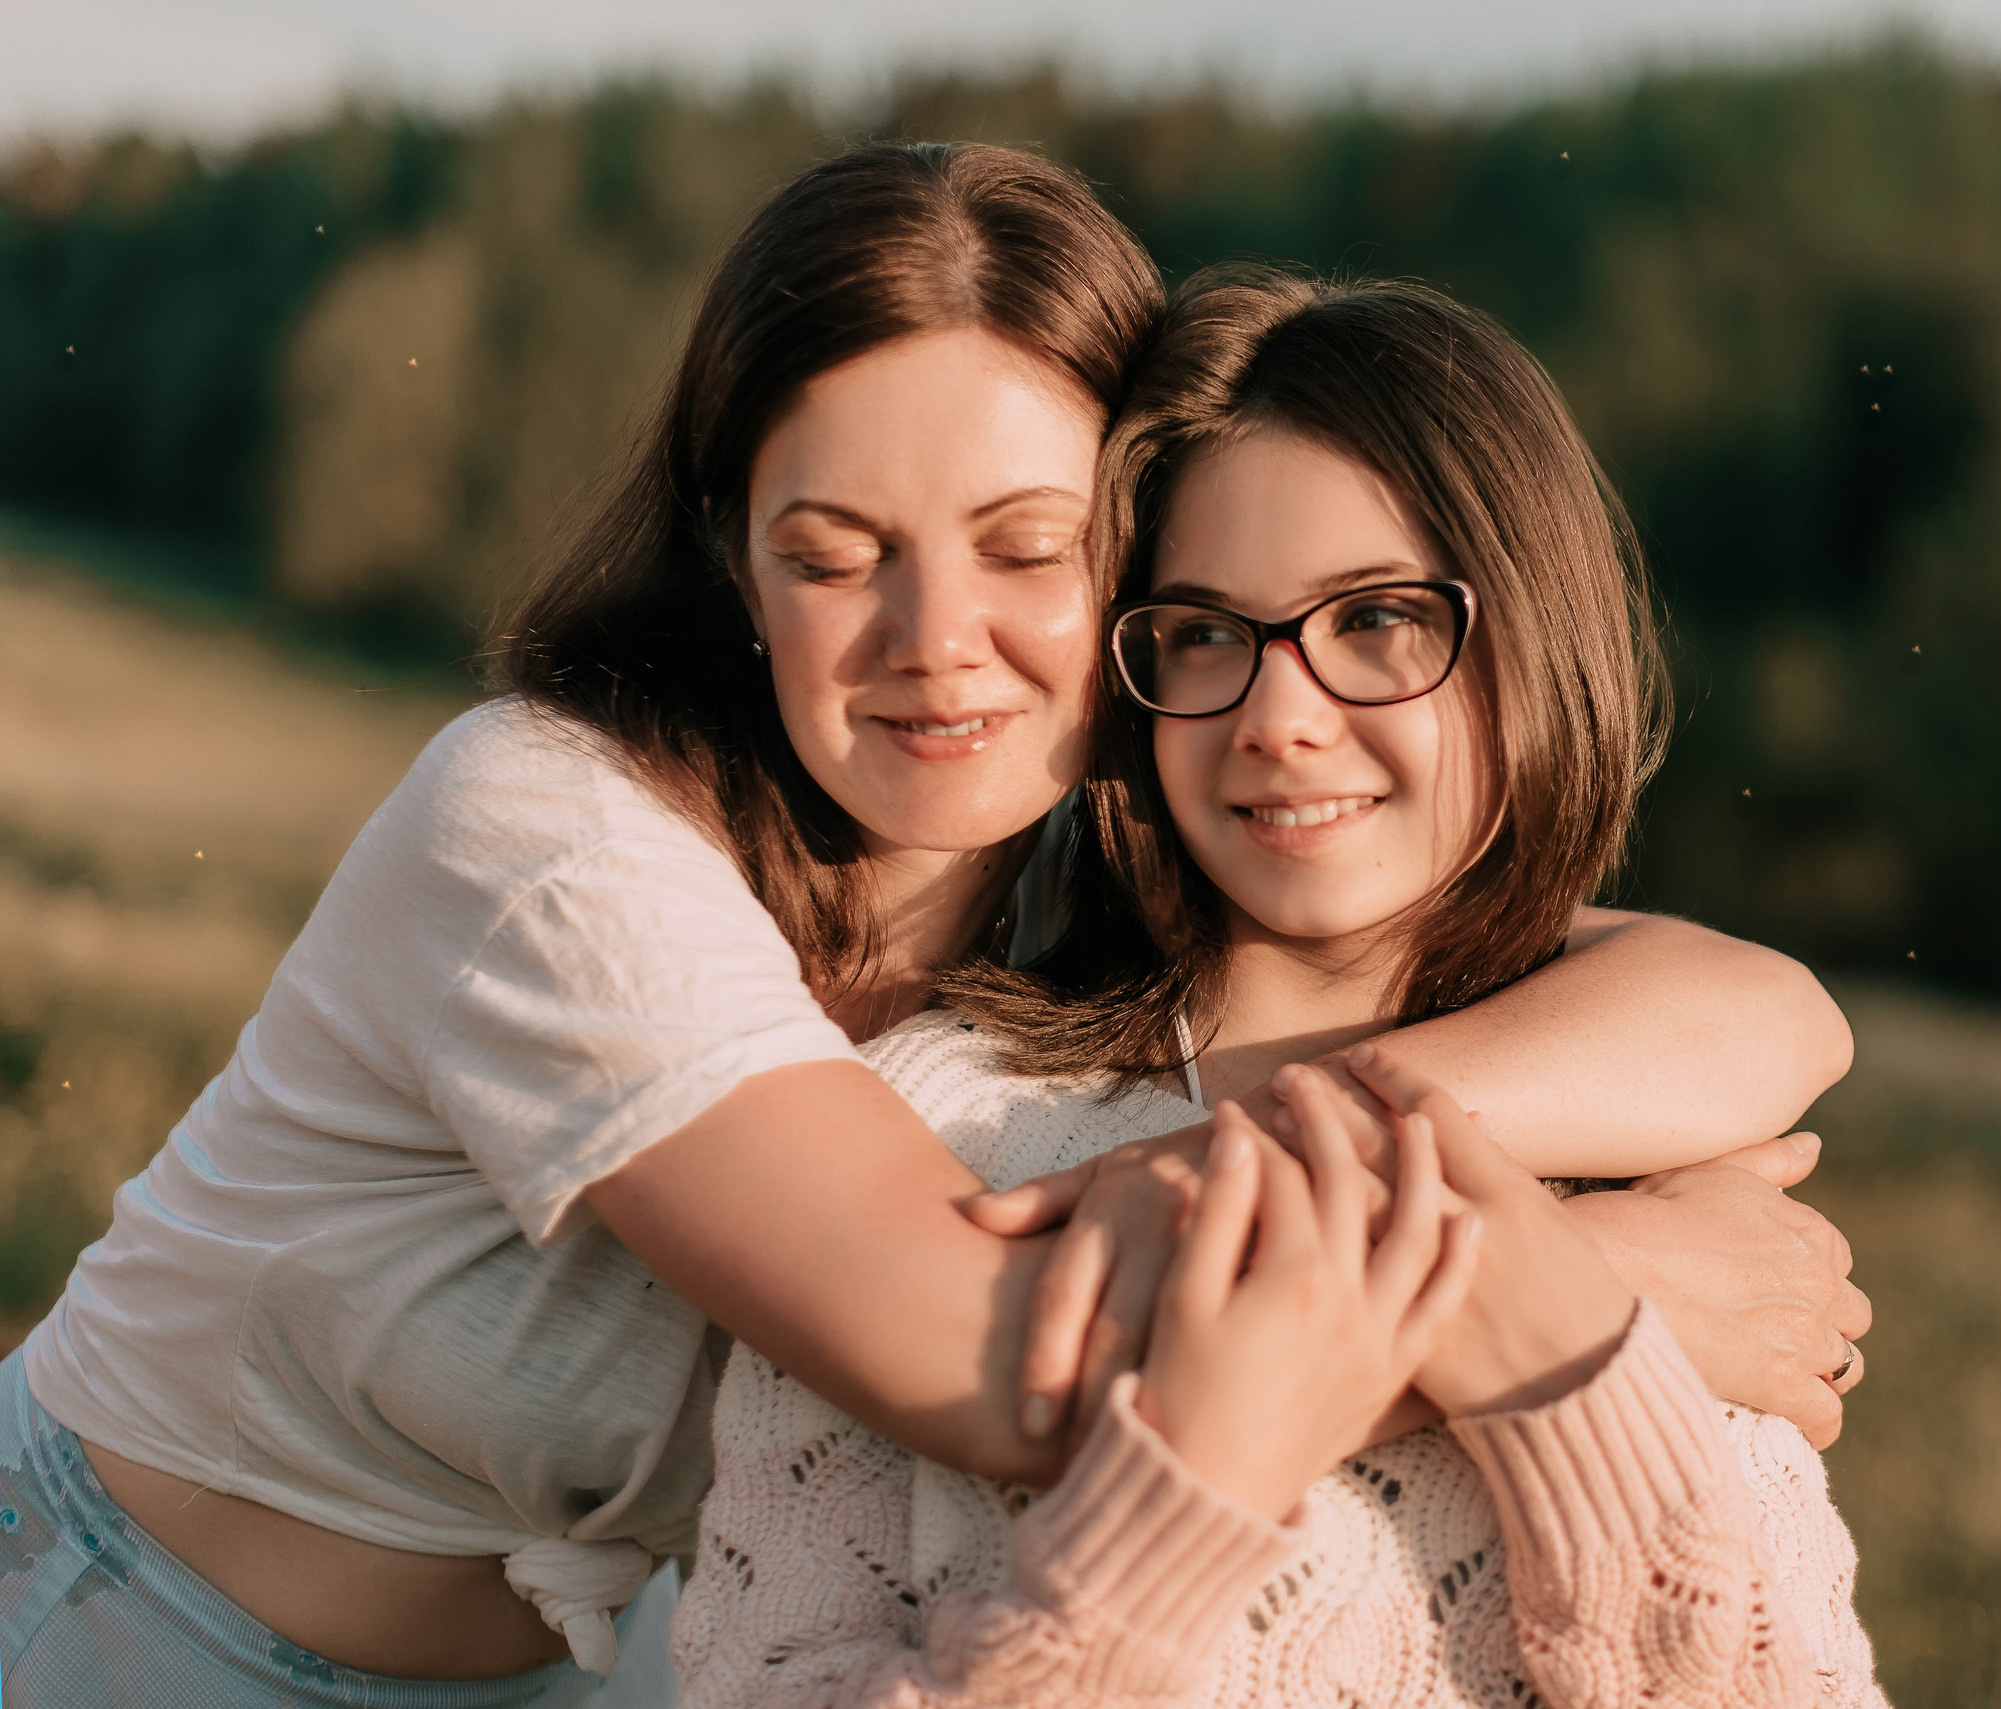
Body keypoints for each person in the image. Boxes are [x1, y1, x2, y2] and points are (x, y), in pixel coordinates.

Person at [0, 146, 1860, 1709]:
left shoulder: (1073, 862)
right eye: (834, 554)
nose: (935, 636)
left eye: (1027, 545)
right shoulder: (552, 836)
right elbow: (1009, 1363)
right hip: (129, 1614)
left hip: (563, 1662)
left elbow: (1756, 1011)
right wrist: (1592, 1297)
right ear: (734, 562)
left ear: (1125, 566)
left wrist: (1307, 1141)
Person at [671, 270, 1883, 1707]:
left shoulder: (1644, 1153)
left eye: (1376, 620)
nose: (1280, 718)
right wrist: (1176, 1502)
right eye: (1203, 635)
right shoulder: (939, 1134)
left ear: (1535, 632)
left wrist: (1553, 1345)